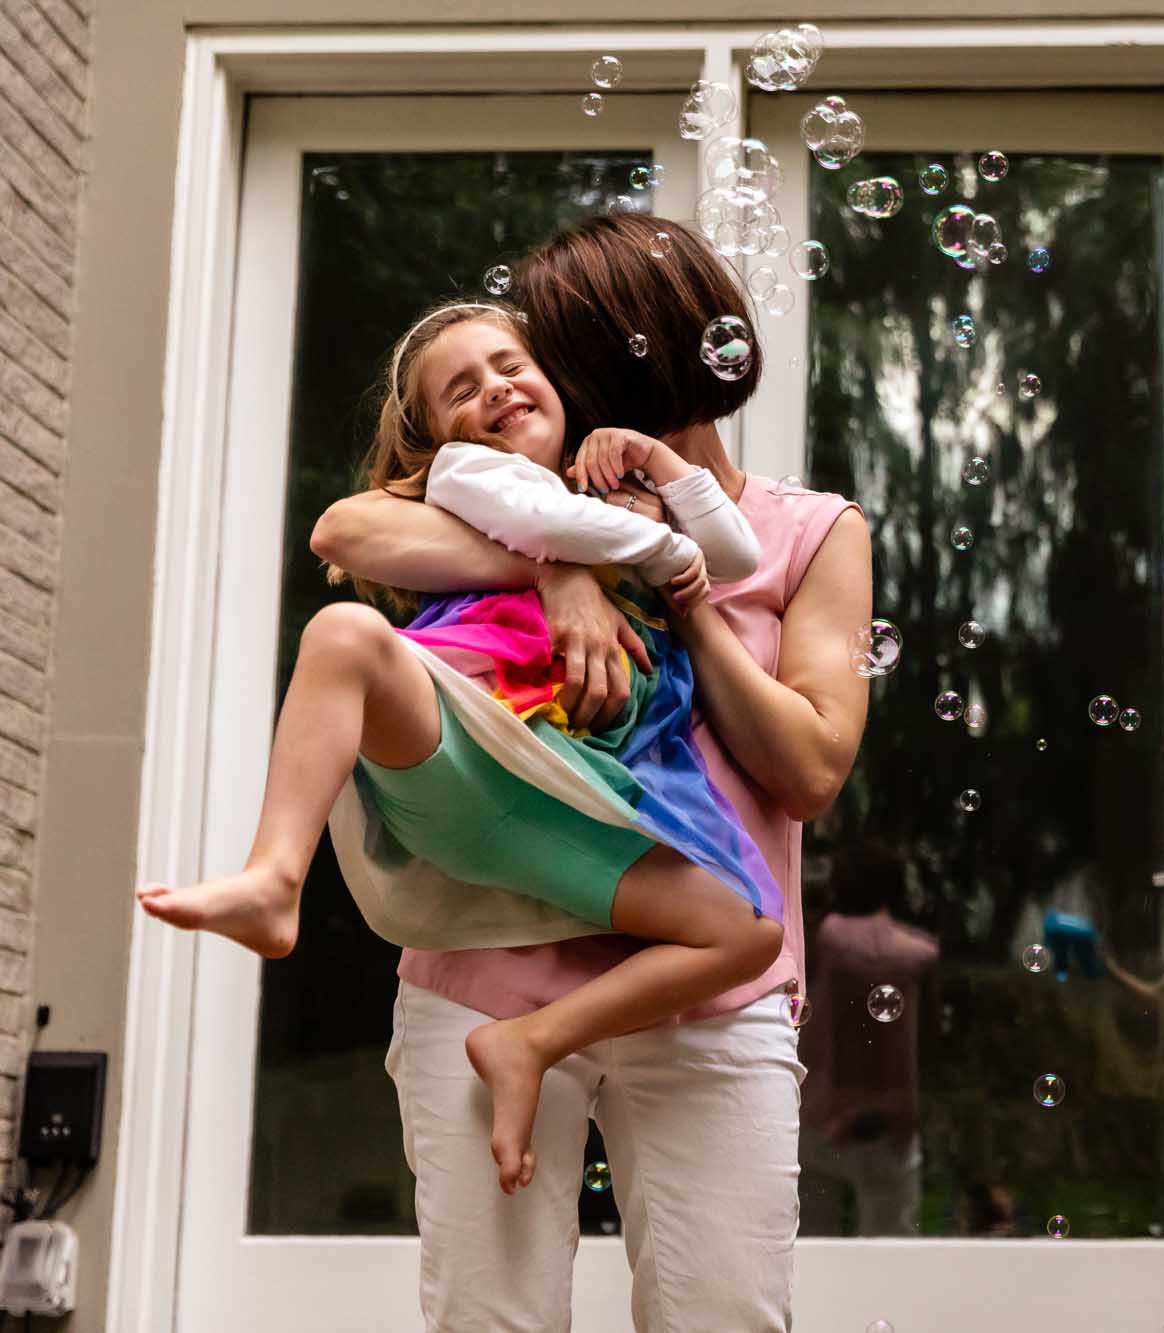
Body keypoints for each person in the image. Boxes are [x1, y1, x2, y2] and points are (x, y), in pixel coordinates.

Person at [310, 212, 870, 1332]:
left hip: (710, 995)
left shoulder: (804, 532)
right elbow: (350, 533)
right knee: (489, 1317)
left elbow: (807, 768)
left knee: (726, 1316)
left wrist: (683, 605)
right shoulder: (515, 493)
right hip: (486, 970)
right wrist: (561, 550)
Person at [138, 298, 790, 1197]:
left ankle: (530, 1038)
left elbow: (735, 556)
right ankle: (274, 878)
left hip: (572, 801)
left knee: (748, 933)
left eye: (510, 364)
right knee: (342, 635)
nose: (496, 389)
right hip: (470, 742)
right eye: (461, 388)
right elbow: (566, 530)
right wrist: (621, 550)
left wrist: (661, 464)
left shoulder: (606, 491)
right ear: (436, 433)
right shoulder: (469, 476)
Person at [798, 842, 939, 1236]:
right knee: (892, 1248)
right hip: (891, 1124)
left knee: (808, 1248)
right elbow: (927, 1036)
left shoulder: (827, 937)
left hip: (816, 1116)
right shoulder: (921, 953)